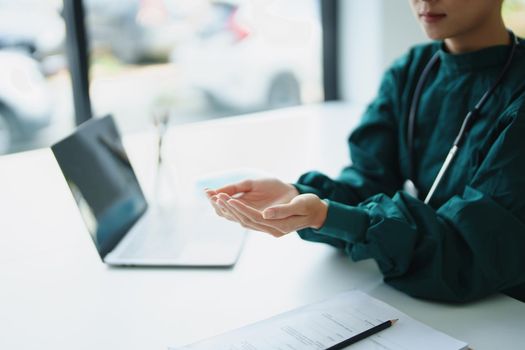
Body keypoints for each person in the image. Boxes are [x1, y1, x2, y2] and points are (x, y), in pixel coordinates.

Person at [205, 0, 525, 303]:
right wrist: (298, 196)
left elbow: (468, 252)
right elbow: (368, 182)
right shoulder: (411, 71)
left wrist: (333, 217)